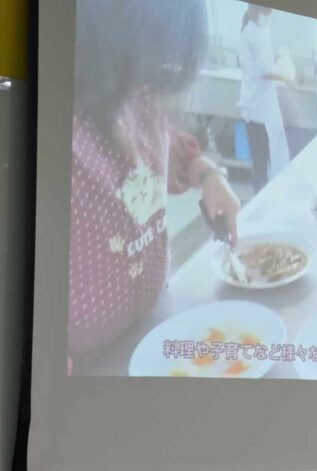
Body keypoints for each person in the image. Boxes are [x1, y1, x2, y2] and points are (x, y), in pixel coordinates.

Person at [69, 0, 240, 362]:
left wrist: (207, 174)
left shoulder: (137, 94)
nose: (152, 78)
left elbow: (169, 147)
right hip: (83, 362)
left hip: (153, 318)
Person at [238, 4, 291, 192]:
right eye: (267, 9)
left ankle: (262, 197)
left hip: (257, 108)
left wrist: (274, 59)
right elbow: (264, 71)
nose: (270, 13)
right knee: (263, 163)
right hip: (258, 110)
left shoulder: (253, 31)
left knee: (263, 161)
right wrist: (285, 76)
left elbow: (260, 65)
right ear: (255, 7)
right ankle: (261, 200)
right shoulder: (254, 33)